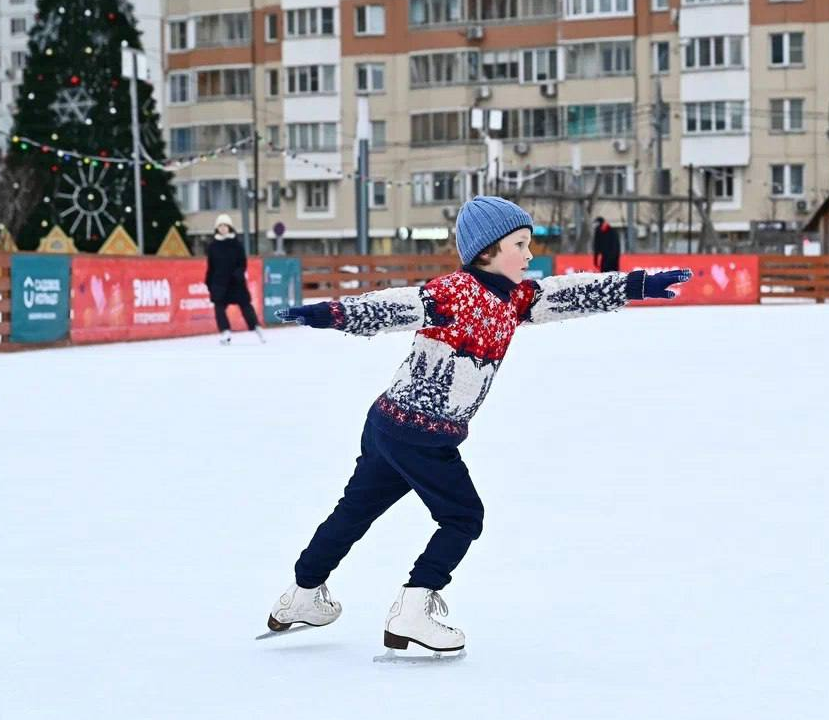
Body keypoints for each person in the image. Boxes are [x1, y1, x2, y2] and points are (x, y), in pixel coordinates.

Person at [267, 196, 693, 654]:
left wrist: (636, 284)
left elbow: (569, 295)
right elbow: (399, 306)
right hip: (422, 435)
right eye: (521, 245)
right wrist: (334, 313)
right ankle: (412, 610)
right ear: (488, 249)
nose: (529, 256)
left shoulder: (515, 298)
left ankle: (302, 595)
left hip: (388, 423)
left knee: (354, 511)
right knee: (463, 517)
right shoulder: (457, 291)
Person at [204, 214, 265, 345]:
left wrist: (238, 274)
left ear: (230, 227)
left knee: (245, 306)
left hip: (236, 282)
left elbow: (242, 263)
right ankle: (225, 332)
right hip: (220, 283)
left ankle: (256, 328)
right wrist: (209, 282)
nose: (223, 228)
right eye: (220, 225)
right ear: (217, 228)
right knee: (219, 307)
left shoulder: (236, 244)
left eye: (225, 225)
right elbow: (211, 266)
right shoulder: (213, 246)